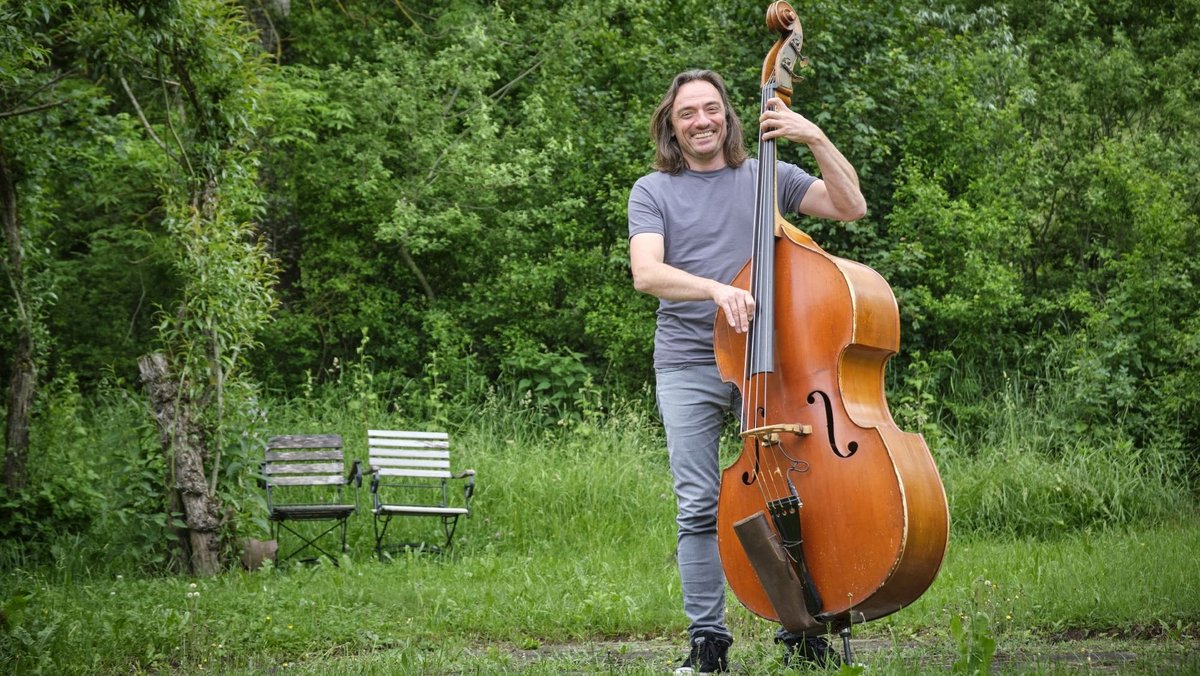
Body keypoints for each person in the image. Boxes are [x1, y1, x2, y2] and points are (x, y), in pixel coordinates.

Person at [626, 69, 867, 674]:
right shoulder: (652, 190)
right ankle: (709, 642)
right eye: (687, 113)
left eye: (711, 109)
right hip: (687, 362)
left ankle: (805, 628)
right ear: (671, 126)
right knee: (697, 504)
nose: (701, 121)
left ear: (729, 117)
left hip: (770, 366)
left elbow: (851, 206)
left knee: (795, 492)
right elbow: (647, 274)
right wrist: (715, 291)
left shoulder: (766, 176)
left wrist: (813, 136)